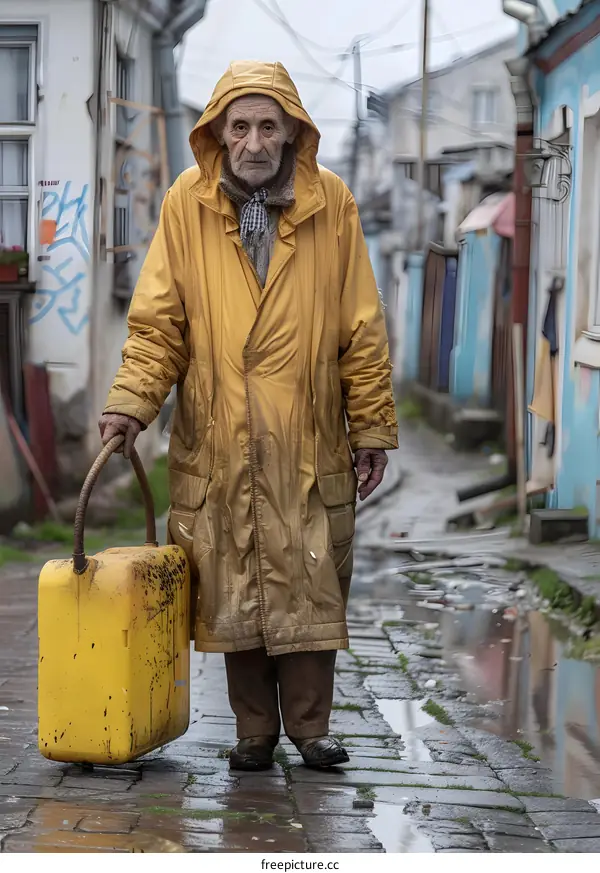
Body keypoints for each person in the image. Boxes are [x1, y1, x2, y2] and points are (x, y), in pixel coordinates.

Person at [99, 61, 398, 772]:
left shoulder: (332, 202)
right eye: (240, 126)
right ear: (218, 132)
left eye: (269, 126)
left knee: (312, 575)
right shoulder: (187, 202)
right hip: (221, 434)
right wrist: (131, 403)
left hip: (308, 434)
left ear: (293, 131)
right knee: (234, 576)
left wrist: (372, 426)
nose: (255, 142)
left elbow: (361, 328)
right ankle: (253, 730)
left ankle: (312, 728)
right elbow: (159, 324)